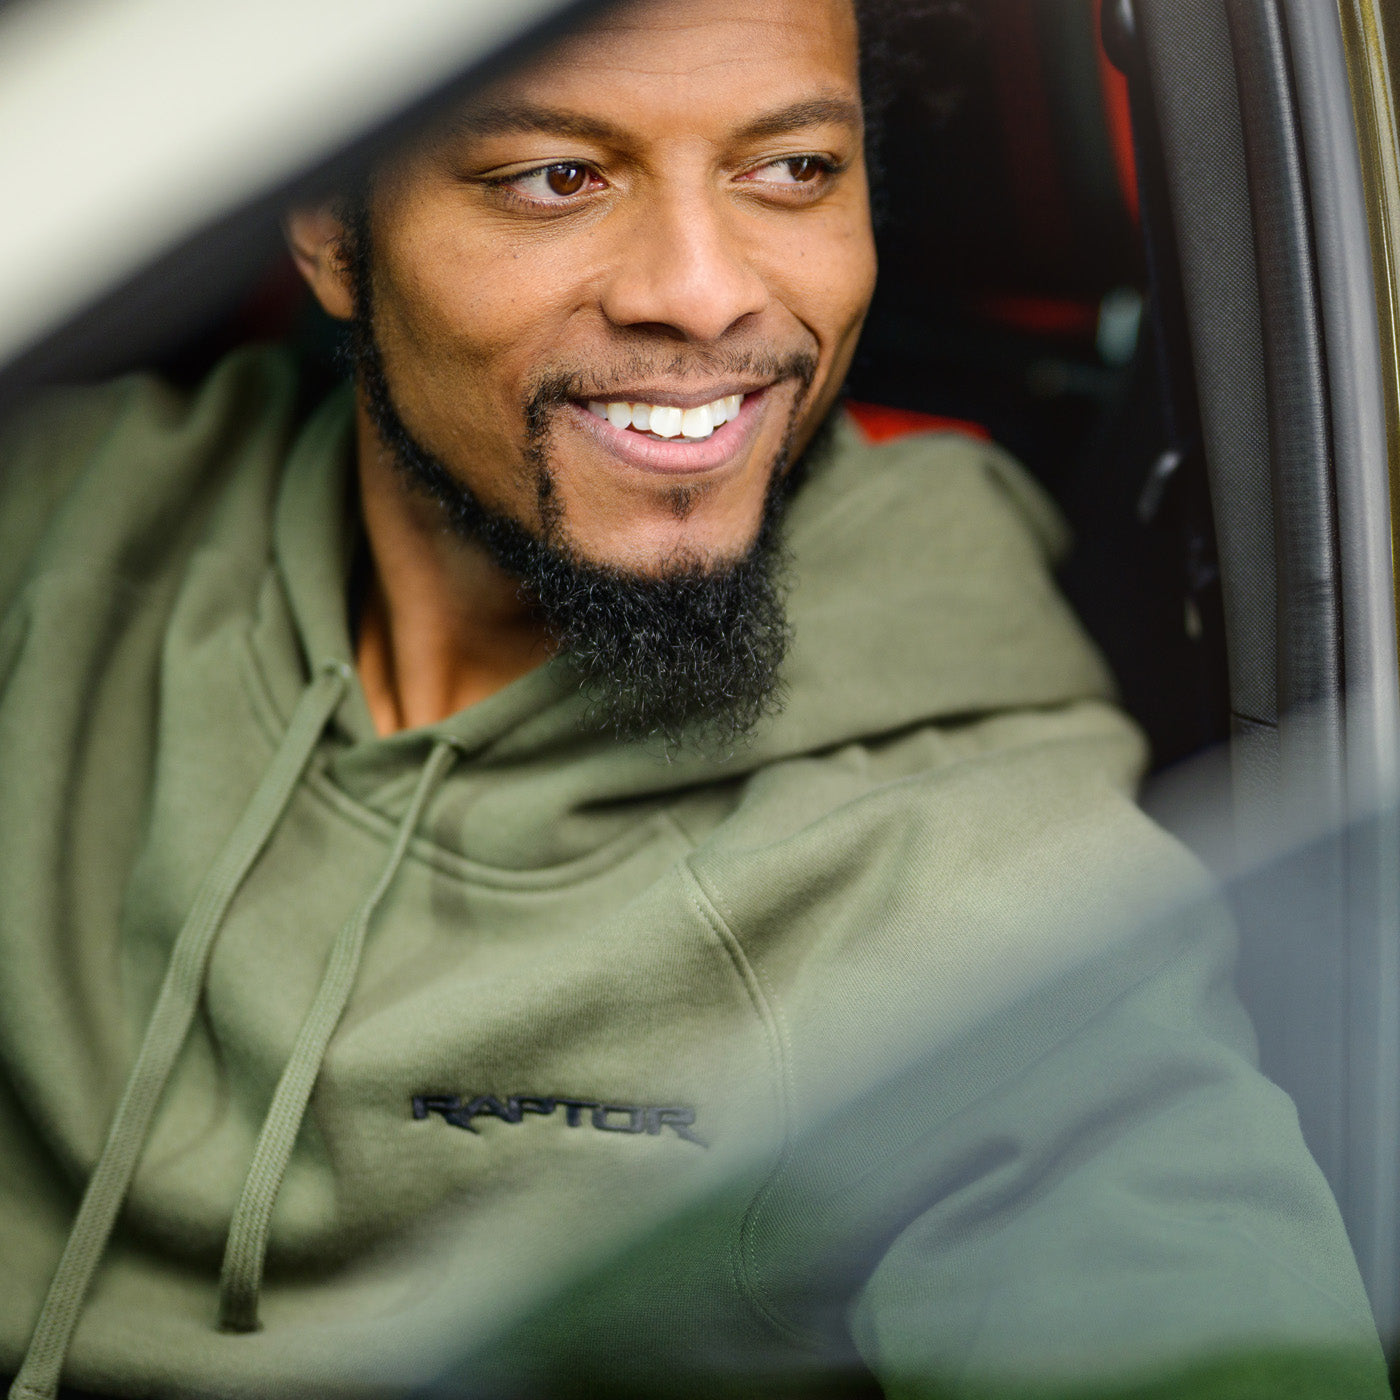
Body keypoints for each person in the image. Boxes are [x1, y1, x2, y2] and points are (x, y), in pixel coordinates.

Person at [0, 1, 1388, 1396]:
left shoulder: (950, 847)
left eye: (791, 172)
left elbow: (1174, 1270)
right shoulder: (70, 513)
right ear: (327, 233)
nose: (704, 289)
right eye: (558, 176)